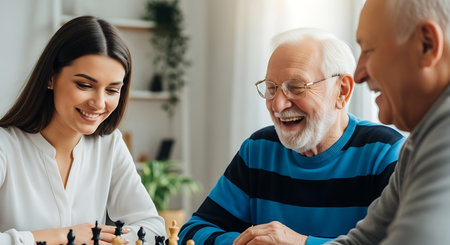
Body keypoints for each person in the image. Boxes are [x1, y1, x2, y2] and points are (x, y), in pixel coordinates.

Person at [179, 28, 405, 245]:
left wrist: (300, 243)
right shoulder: (259, 149)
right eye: (271, 87)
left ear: (342, 91)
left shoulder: (385, 152)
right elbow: (191, 231)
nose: (277, 104)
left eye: (296, 87)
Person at [0, 16, 166, 245]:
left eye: (112, 90)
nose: (99, 103)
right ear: (51, 77)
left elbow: (153, 227)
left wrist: (104, 240)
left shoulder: (109, 145)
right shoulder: (5, 147)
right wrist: (60, 237)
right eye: (85, 85)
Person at [326, 0, 450, 244]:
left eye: (368, 50)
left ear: (427, 45)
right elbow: (363, 241)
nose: (358, 74)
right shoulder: (419, 141)